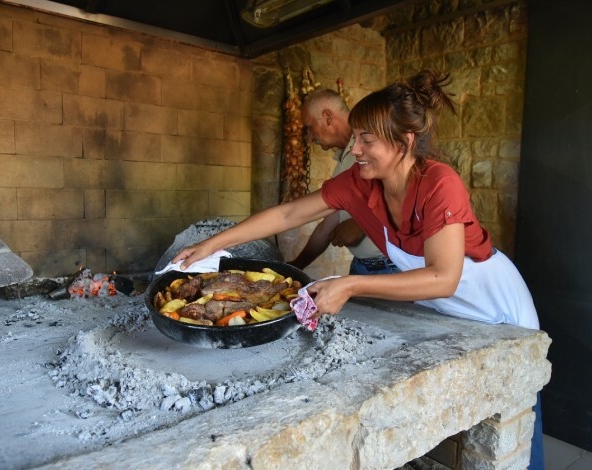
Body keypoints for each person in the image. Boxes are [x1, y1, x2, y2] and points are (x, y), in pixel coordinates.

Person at [172, 70, 542, 468]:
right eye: (356, 138)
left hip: (497, 307)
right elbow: (291, 212)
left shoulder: (439, 183)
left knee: (517, 421)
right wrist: (212, 244)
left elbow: (443, 277)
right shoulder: (362, 182)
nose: (357, 148)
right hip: (447, 309)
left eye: (368, 139)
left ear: (405, 142)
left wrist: (349, 284)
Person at [288, 88, 398, 275]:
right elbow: (327, 225)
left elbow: (406, 194)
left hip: (391, 268)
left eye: (309, 127)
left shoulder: (379, 149)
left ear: (328, 117)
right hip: (361, 266)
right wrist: (296, 266)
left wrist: (362, 224)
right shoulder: (344, 163)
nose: (309, 137)